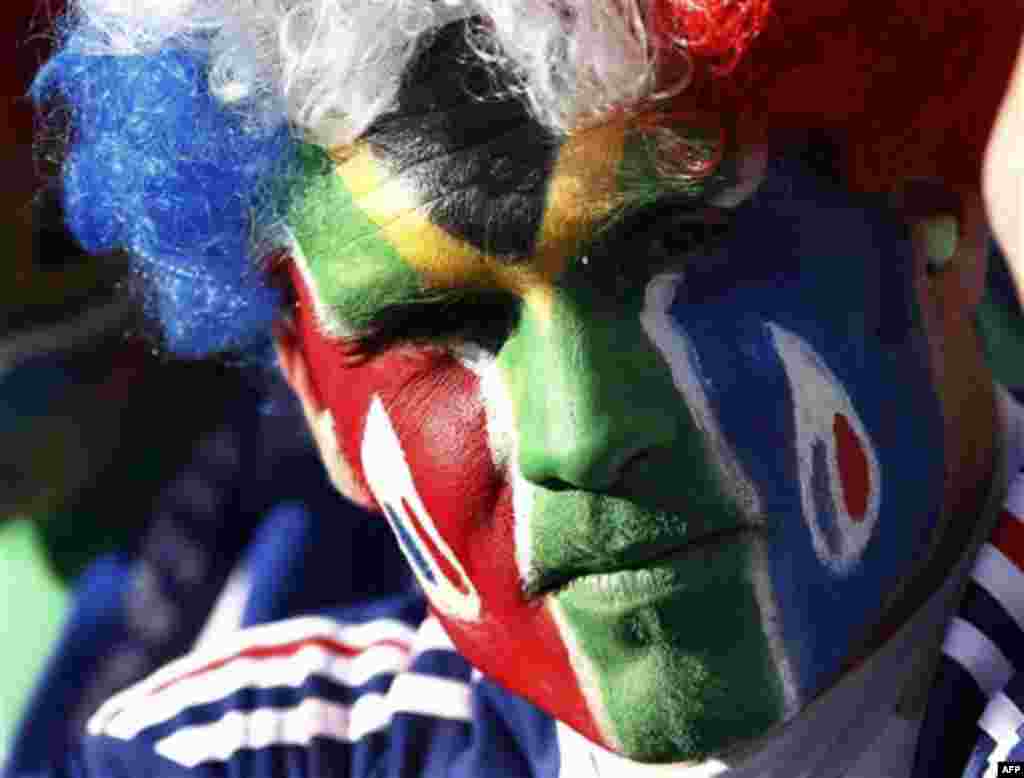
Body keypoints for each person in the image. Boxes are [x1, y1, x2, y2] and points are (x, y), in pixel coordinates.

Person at [13, 1, 1024, 776]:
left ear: (933, 217)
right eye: (435, 326)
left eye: (680, 244)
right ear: (315, 402)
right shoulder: (225, 757)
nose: (578, 433)